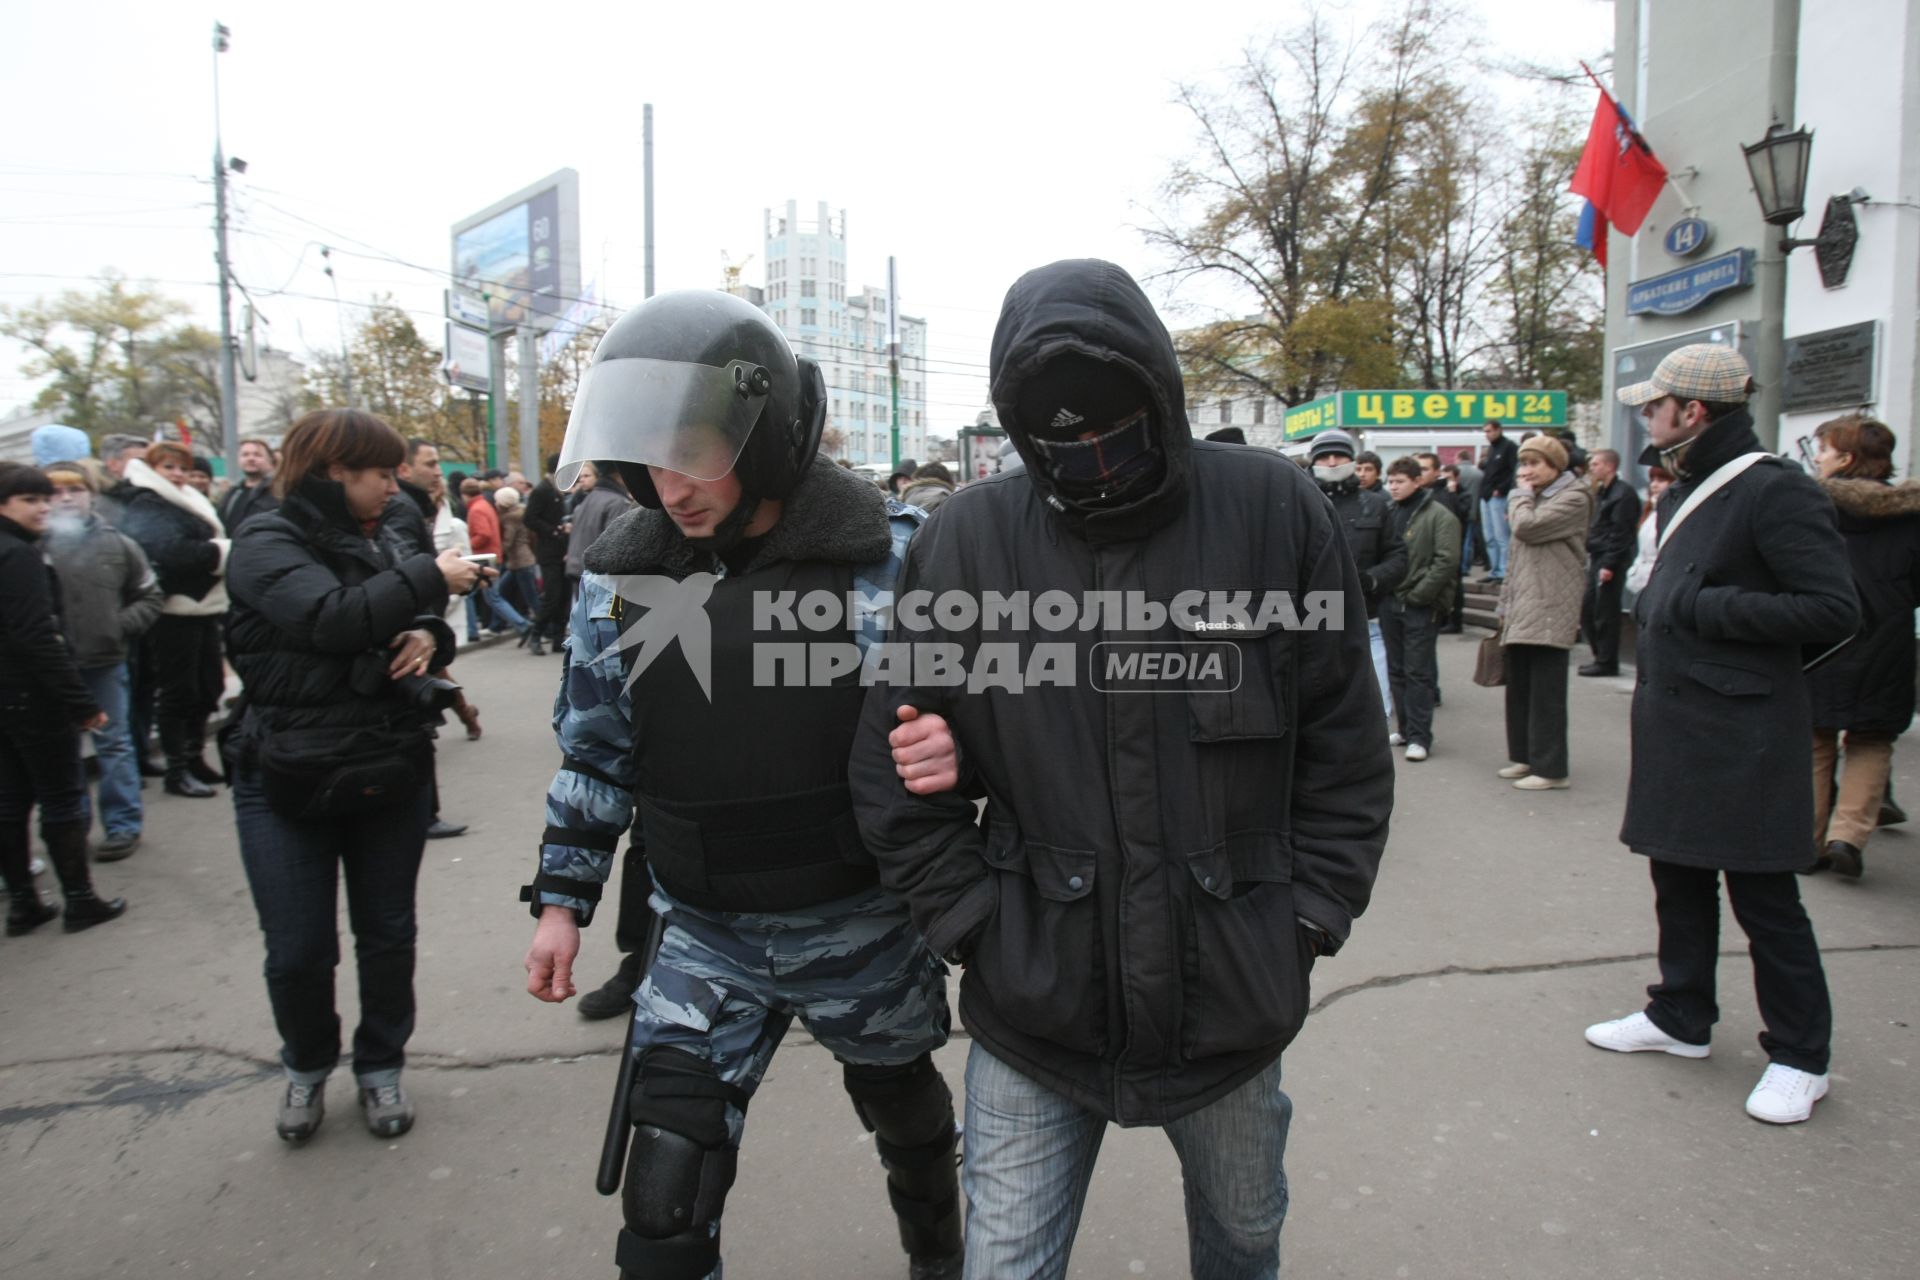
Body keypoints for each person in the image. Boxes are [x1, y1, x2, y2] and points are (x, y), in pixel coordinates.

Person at [848, 259, 1392, 1276]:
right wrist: (973, 925)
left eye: (1115, 425)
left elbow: (1344, 744)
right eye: (1063, 437)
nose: (1094, 455)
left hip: (1231, 986)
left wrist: (1308, 914)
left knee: (1243, 1239)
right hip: (1034, 997)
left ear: (1162, 396)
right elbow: (892, 766)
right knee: (1003, 1258)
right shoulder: (966, 541)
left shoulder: (1275, 511)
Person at [520, 290, 963, 1280]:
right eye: (650, 460)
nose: (672, 488)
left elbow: (976, 724)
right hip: (703, 932)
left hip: (861, 927)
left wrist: (956, 753)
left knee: (911, 1126)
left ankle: (940, 1255)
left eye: (698, 452)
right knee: (664, 1202)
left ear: (762, 434)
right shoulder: (619, 580)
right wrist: (562, 901)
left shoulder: (882, 564)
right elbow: (595, 752)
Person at [1586, 345, 1857, 1126]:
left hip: (1744, 732)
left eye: (1654, 405)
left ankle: (1802, 1057)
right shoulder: (1690, 486)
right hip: (1681, 723)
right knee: (1678, 878)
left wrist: (1707, 609)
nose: (1645, 417)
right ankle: (1681, 1015)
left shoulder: (1774, 489)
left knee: (1765, 897)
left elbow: (1834, 611)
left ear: (1693, 411)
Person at [224, 408, 485, 1142]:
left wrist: (429, 634)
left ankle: (381, 1065)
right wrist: (424, 579)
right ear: (335, 472)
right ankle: (306, 1066)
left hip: (385, 760)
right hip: (285, 772)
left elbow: (418, 613)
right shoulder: (264, 538)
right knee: (299, 946)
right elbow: (329, 617)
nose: (390, 486)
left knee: (388, 932)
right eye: (378, 474)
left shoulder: (393, 523)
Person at [0, 462, 127, 936]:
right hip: (32, 697)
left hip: (6, 697)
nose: (43, 507)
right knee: (61, 797)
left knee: (10, 801)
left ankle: (23, 904)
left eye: (44, 498)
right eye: (30, 499)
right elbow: (37, 637)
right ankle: (79, 899)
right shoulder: (17, 556)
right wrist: (80, 703)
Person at [1805, 415, 1920, 879]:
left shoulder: (1815, 507)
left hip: (1824, 636)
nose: (1818, 458)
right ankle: (1847, 837)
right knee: (1871, 740)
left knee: (1814, 739)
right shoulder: (1910, 514)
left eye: (1825, 450)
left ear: (1846, 459)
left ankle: (1806, 843)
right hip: (1889, 640)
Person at [43, 461, 163, 861]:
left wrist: (118, 625)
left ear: (90, 494)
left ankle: (123, 825)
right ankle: (70, 825)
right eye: (55, 492)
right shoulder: (30, 545)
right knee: (60, 749)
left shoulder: (118, 543)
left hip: (104, 661)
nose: (65, 498)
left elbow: (149, 594)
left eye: (74, 490)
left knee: (113, 744)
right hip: (49, 668)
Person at [113, 441, 231, 799]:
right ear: (153, 470)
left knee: (209, 686)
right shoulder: (149, 502)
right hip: (172, 610)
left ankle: (193, 758)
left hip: (204, 605)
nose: (178, 474)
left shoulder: (183, 499)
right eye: (169, 468)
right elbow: (170, 552)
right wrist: (224, 551)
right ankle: (177, 770)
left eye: (181, 468)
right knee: (179, 691)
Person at [1496, 435, 1593, 790]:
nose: (1526, 471)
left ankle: (1552, 769)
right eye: (1523, 464)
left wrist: (1519, 496)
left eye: (1535, 463)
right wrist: (1505, 602)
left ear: (1556, 465)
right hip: (1525, 602)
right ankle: (1525, 756)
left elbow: (1527, 528)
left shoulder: (1574, 497)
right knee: (1520, 686)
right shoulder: (1533, 498)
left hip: (1552, 603)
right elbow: (1517, 557)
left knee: (1547, 692)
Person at [1309, 429, 1406, 730]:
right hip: (1314, 616)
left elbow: (1398, 556)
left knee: (1372, 693)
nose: (1333, 461)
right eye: (1325, 456)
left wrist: (1372, 580)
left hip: (1367, 615)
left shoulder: (1376, 504)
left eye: (1339, 455)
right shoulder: (1301, 501)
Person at [1382, 455, 1460, 760]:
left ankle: (1420, 737)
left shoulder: (1439, 515)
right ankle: (1404, 728)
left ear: (1417, 481)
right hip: (1391, 601)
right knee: (1397, 670)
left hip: (1419, 605)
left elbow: (1446, 561)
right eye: (1390, 482)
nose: (1393, 487)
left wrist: (1418, 595)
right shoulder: (1389, 511)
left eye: (1400, 481)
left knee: (1418, 672)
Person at [1578, 449, 1642, 677]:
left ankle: (1606, 660)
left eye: (1596, 464)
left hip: (1609, 559)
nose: (1592, 468)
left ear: (1609, 466)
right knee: (1589, 609)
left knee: (1604, 611)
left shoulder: (1622, 495)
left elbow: (1621, 532)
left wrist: (1610, 563)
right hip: (1599, 555)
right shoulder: (1604, 492)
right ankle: (1601, 656)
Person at [458, 474, 530, 642]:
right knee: (493, 595)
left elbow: (484, 534)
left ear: (464, 494)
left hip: (483, 558)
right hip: (494, 555)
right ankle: (511, 625)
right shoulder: (485, 505)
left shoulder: (476, 509)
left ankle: (522, 625)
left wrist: (466, 544)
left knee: (485, 596)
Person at [561, 458, 635, 592]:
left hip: (580, 571)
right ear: (621, 473)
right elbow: (616, 549)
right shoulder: (616, 502)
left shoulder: (588, 499)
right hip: (599, 579)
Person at [522, 454, 572, 657]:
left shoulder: (556, 489)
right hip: (548, 552)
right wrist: (553, 530)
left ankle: (558, 639)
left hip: (560, 550)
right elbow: (529, 518)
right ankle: (536, 635)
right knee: (552, 596)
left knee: (563, 596)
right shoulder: (541, 490)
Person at [1477, 420, 1519, 583]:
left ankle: (1504, 571)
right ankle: (1495, 570)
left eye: (1490, 431)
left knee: (1501, 536)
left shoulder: (1509, 447)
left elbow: (1514, 471)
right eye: (1485, 432)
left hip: (1498, 496)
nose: (1487, 435)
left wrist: (1501, 489)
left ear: (1499, 430)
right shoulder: (1492, 449)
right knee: (1490, 537)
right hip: (1487, 496)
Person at [1622, 467, 1675, 597]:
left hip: (1661, 582)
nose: (1654, 485)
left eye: (1661, 480)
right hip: (1642, 581)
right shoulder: (1650, 511)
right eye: (1652, 480)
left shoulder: (1671, 512)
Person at [494, 485, 539, 620]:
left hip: (520, 561)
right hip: (522, 560)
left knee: (530, 598)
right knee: (500, 593)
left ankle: (546, 627)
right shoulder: (521, 513)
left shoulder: (509, 518)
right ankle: (497, 625)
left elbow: (508, 541)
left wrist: (498, 552)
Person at [219, 436, 280, 534]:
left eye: (257, 455)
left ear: (270, 461)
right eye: (245, 455)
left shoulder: (278, 492)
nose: (251, 458)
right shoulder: (233, 493)